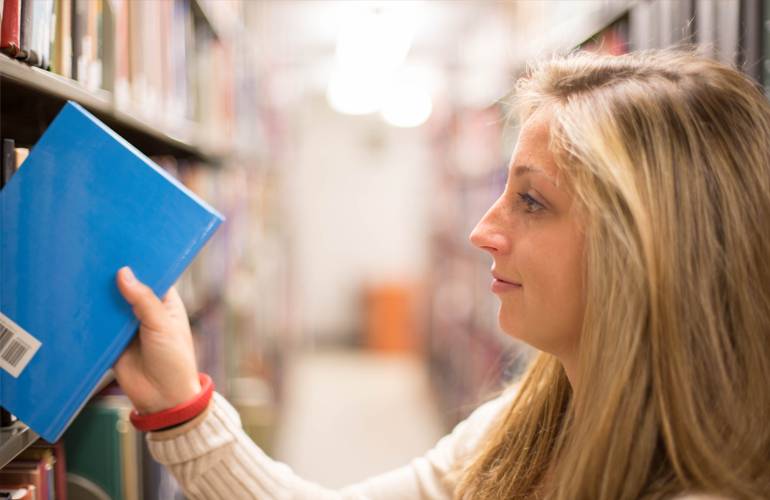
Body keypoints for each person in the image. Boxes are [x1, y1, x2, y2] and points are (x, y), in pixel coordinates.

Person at [112, 47, 770, 499]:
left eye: (531, 201)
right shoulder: (527, 423)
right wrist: (180, 407)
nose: (481, 231)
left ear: (643, 246)